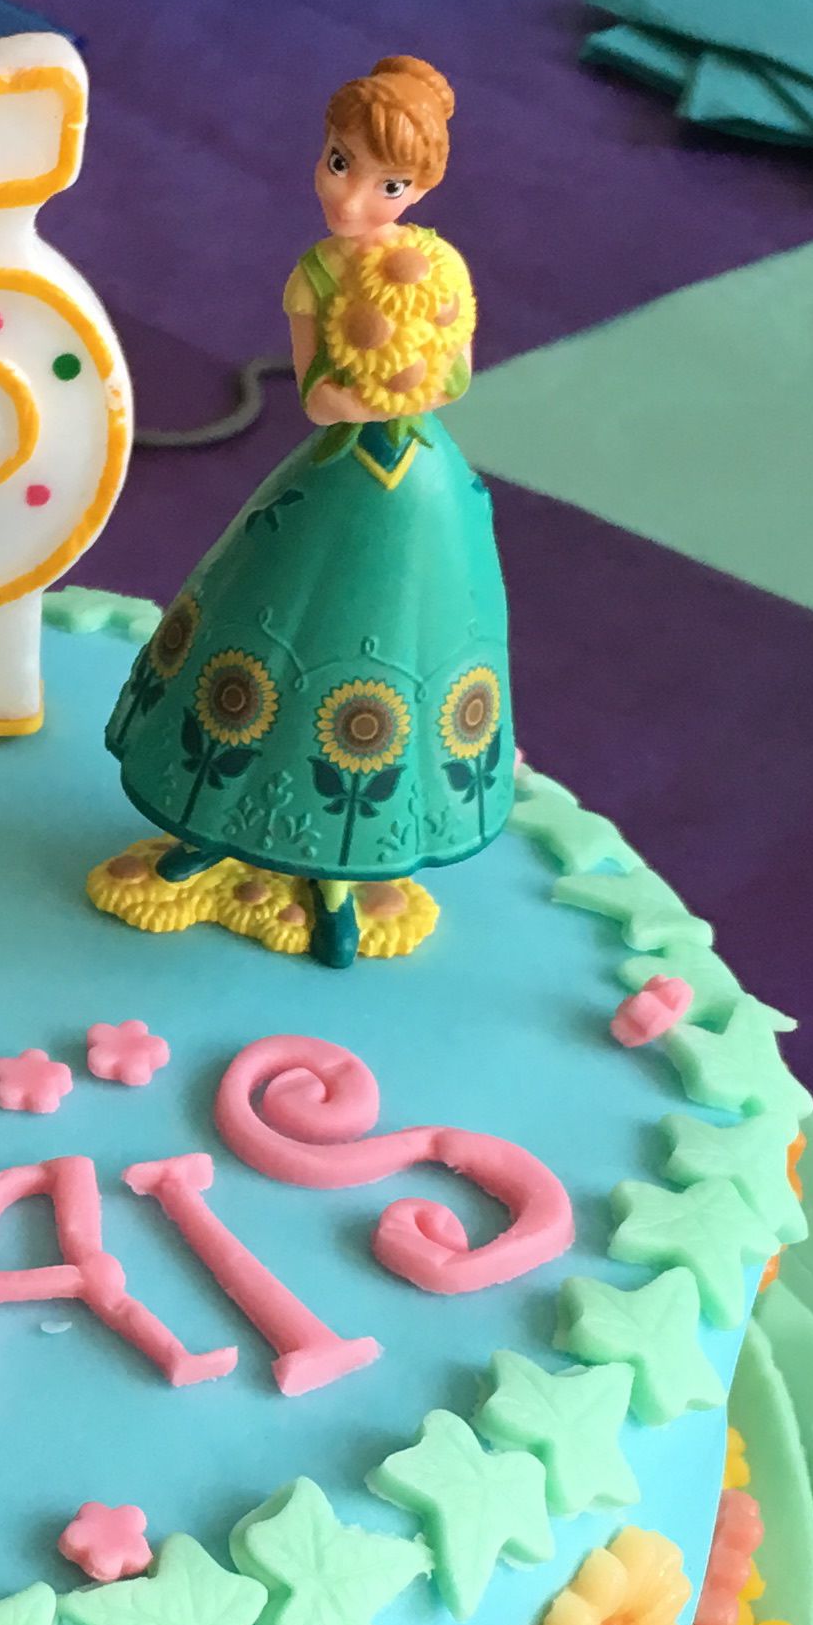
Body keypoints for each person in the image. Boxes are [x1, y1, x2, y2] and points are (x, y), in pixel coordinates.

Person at [92, 53, 509, 968]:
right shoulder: (316, 275)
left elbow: (458, 374)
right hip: (332, 484)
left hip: (418, 491)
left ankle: (338, 878)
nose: (352, 196)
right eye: (339, 163)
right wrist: (375, 381)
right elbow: (320, 400)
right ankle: (216, 829)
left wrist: (412, 377)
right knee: (275, 643)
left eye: (386, 184)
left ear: (420, 189)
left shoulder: (436, 270)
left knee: (396, 655)